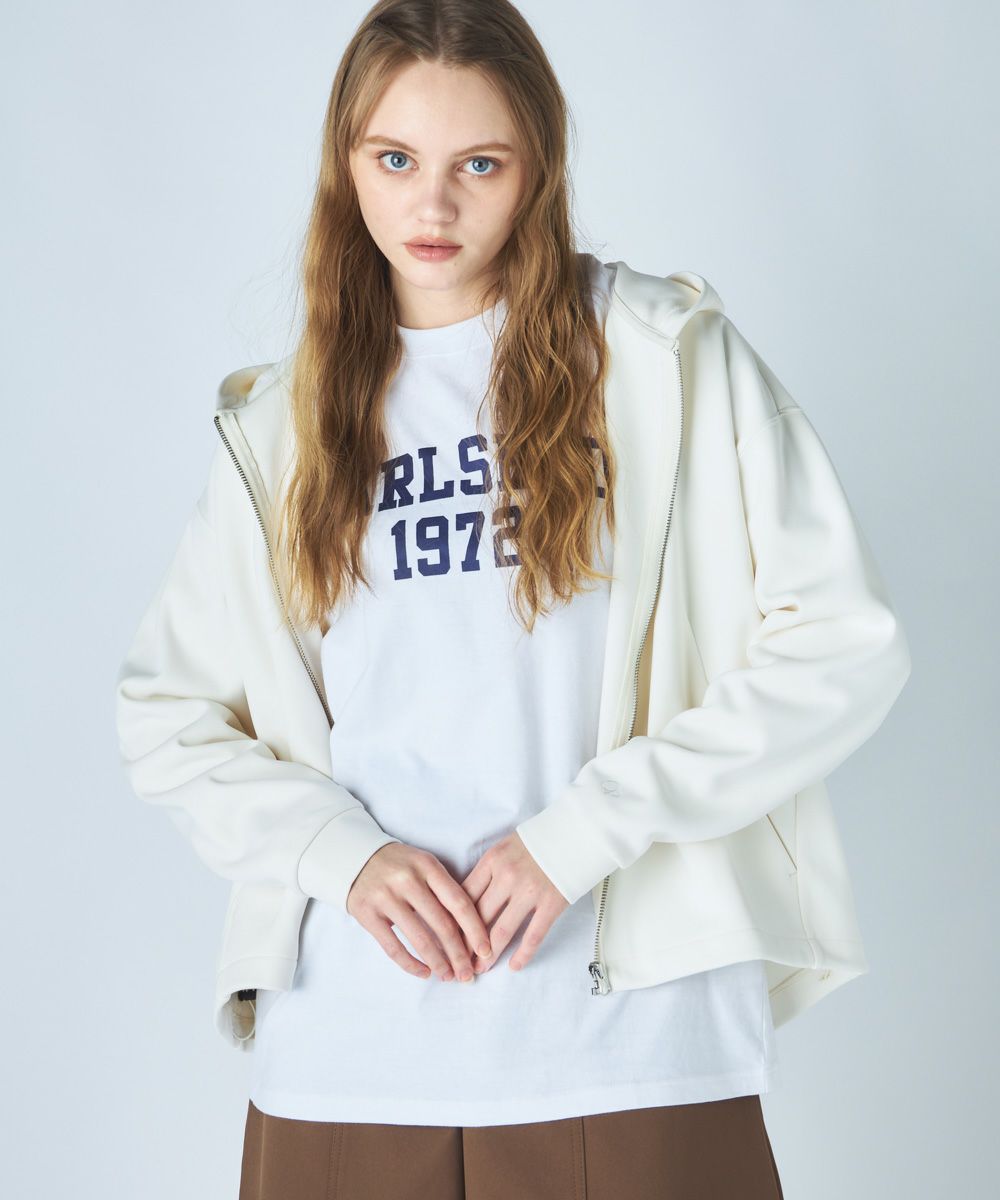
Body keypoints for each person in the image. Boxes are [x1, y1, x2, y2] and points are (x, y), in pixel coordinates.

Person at [114, 1, 911, 1196]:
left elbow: (843, 643)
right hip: (350, 1053)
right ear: (346, 165)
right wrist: (339, 855)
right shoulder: (283, 426)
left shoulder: (659, 357)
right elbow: (168, 715)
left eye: (478, 165)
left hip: (629, 1042)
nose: (432, 208)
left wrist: (581, 834)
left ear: (537, 168)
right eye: (395, 160)